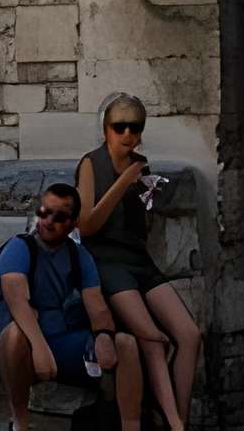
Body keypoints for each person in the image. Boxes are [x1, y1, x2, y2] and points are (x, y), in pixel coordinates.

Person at [75, 95, 197, 431]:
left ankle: (178, 417)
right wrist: (123, 183)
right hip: (105, 261)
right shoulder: (91, 163)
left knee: (189, 335)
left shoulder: (141, 164)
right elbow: (86, 226)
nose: (127, 133)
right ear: (106, 130)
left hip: (137, 260)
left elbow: (138, 227)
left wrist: (145, 195)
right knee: (153, 339)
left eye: (135, 127)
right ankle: (175, 424)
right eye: (120, 127)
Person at [0, 181, 139, 431]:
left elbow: (97, 306)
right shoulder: (21, 246)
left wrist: (104, 335)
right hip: (23, 343)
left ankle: (130, 426)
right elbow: (17, 299)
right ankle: (20, 423)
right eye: (44, 212)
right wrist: (39, 349)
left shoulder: (78, 255)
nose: (48, 221)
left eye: (59, 216)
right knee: (16, 335)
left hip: (61, 339)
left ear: (72, 222)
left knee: (126, 344)